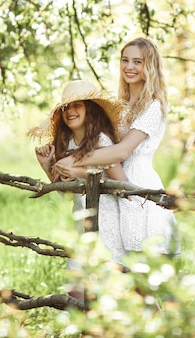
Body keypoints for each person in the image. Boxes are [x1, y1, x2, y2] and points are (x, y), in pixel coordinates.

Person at [54, 37, 180, 257]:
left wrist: (75, 159)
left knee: (146, 266)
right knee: (125, 268)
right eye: (125, 60)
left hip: (138, 183)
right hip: (114, 185)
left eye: (137, 62)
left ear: (149, 66)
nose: (129, 67)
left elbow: (122, 151)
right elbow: (102, 143)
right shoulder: (120, 104)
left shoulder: (154, 105)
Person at [27, 80, 129, 266]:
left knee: (101, 285)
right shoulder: (67, 143)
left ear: (90, 110)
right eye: (66, 107)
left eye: (77, 105)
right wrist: (47, 165)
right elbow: (66, 193)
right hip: (81, 222)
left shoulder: (102, 141)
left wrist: (78, 172)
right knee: (76, 287)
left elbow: (121, 183)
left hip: (105, 222)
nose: (70, 111)